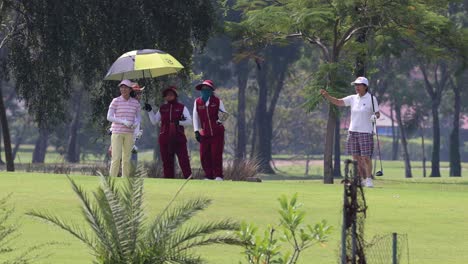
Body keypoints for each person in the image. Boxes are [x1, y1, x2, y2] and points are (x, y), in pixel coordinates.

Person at [320, 76, 380, 187]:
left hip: (366, 132)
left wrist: (374, 117)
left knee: (366, 157)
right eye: (355, 85)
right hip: (353, 132)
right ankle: (361, 179)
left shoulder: (371, 98)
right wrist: (327, 96)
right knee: (356, 158)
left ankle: (368, 179)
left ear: (365, 86)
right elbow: (338, 102)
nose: (356, 87)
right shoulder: (353, 98)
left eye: (359, 85)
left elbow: (377, 113)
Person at [145, 86, 192, 179]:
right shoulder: (162, 108)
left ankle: (189, 179)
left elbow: (189, 121)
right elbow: (154, 121)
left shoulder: (181, 107)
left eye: (171, 94)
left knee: (184, 161)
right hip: (165, 139)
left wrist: (178, 122)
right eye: (166, 95)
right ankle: (168, 181)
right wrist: (150, 111)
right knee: (167, 163)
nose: (168, 96)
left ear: (175, 95)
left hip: (179, 139)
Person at [193, 80, 227, 181]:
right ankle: (208, 175)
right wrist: (196, 131)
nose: (205, 91)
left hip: (217, 133)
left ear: (211, 90)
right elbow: (195, 117)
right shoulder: (197, 102)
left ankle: (218, 176)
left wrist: (220, 121)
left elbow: (225, 113)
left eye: (207, 89)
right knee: (204, 155)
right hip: (204, 132)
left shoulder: (217, 101)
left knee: (216, 154)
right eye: (203, 89)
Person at [106, 79, 141, 177]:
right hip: (117, 132)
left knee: (126, 158)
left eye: (126, 87)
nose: (123, 89)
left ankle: (125, 179)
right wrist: (123, 121)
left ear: (130, 90)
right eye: (121, 87)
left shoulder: (135, 103)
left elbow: (138, 117)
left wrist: (136, 123)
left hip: (129, 133)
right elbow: (109, 117)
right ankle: (112, 179)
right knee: (116, 158)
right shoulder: (115, 101)